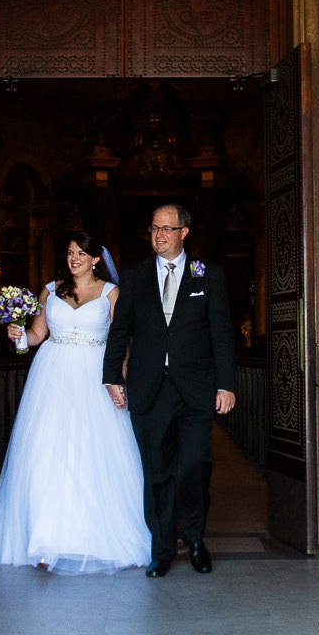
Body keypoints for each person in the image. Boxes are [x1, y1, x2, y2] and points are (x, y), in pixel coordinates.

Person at [0, 232, 151, 574]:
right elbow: (37, 336)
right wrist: (19, 335)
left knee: (94, 453)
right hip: (51, 376)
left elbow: (120, 343)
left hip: (95, 376)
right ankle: (44, 539)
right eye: (69, 253)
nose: (74, 258)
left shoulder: (112, 293)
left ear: (96, 258)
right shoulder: (51, 289)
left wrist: (118, 380)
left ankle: (90, 537)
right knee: (47, 452)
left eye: (81, 253)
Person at [103, 203, 236, 578]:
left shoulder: (207, 274)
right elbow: (120, 331)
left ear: (184, 233)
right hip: (149, 389)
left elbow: (221, 334)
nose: (158, 235)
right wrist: (112, 375)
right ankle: (161, 550)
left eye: (166, 228)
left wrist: (226, 384)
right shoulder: (134, 275)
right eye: (154, 228)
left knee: (193, 467)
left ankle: (195, 540)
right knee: (156, 473)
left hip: (195, 391)